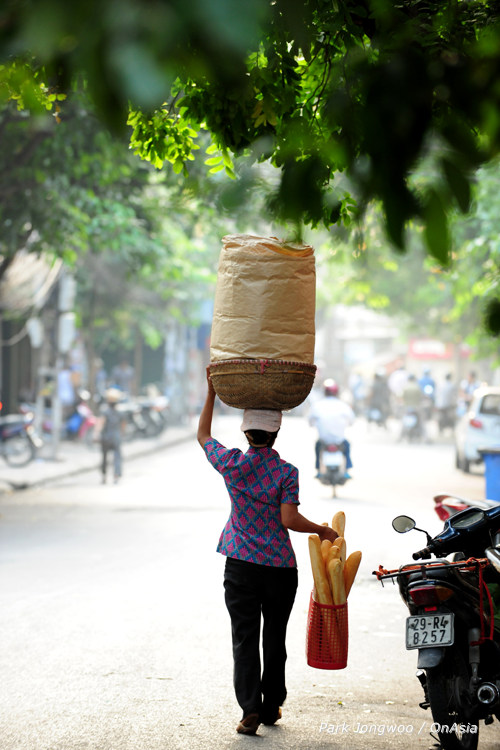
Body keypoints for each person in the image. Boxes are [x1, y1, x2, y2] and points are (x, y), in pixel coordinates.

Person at [197, 369, 339, 736]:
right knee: (274, 636)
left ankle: (250, 711)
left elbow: (203, 435)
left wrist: (211, 392)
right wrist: (322, 529)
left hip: (240, 565)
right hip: (279, 568)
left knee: (244, 638)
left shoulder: (232, 463)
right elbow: (289, 519)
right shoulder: (286, 472)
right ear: (275, 433)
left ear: (246, 433)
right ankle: (272, 702)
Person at [308, 379, 355, 478]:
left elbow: (310, 421)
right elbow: (351, 421)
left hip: (324, 441)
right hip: (339, 441)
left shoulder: (317, 405)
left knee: (317, 446)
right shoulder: (343, 405)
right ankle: (347, 470)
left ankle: (318, 470)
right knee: (347, 445)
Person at [99, 388, 123, 484]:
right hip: (116, 437)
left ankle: (104, 476)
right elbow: (123, 425)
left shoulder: (105, 412)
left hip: (106, 437)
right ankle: (116, 475)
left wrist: (96, 434)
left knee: (104, 457)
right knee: (117, 456)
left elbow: (101, 423)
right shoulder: (120, 412)